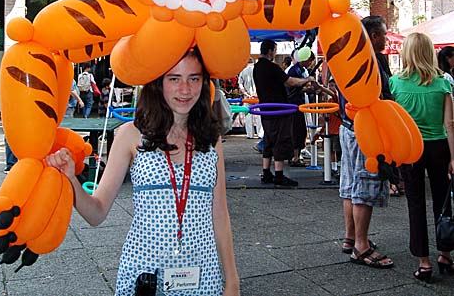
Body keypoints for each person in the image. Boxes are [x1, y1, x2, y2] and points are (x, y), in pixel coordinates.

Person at [46, 48, 240, 296]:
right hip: (144, 275)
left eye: (194, 78)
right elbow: (96, 213)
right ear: (158, 82)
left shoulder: (211, 140)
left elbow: (220, 214)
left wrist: (232, 279)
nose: (185, 89)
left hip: (203, 275)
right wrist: (71, 178)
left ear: (203, 83)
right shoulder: (131, 135)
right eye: (174, 78)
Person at [389, 32, 454, 282]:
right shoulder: (442, 83)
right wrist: (453, 158)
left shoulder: (395, 84)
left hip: (410, 149)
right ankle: (445, 254)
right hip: (439, 147)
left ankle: (423, 262)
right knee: (443, 203)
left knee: (415, 205)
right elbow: (450, 124)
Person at [339, 16, 394, 268]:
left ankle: (351, 239)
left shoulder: (347, 55)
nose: (386, 38)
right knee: (364, 186)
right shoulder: (367, 60)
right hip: (364, 130)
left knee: (351, 186)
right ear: (373, 36)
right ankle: (360, 246)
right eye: (383, 34)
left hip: (349, 127)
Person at [252, 39, 317, 187]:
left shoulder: (257, 68)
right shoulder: (272, 67)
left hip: (265, 109)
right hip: (279, 110)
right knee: (280, 140)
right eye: (275, 50)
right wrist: (306, 79)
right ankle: (279, 175)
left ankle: (266, 172)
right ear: (270, 51)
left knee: (269, 140)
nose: (275, 53)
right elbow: (290, 82)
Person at [285, 49, 316, 166]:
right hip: (293, 104)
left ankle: (296, 155)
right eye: (310, 61)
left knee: (300, 130)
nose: (310, 63)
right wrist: (306, 86)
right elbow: (293, 88)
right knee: (295, 130)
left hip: (299, 103)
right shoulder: (294, 70)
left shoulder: (302, 70)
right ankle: (294, 157)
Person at [238, 58, 262, 140]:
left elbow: (240, 85)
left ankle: (250, 134)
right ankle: (260, 133)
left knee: (248, 115)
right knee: (259, 114)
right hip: (258, 96)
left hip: (247, 97)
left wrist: (246, 94)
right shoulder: (258, 70)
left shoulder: (243, 71)